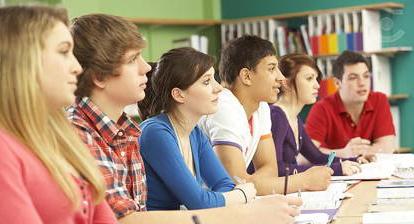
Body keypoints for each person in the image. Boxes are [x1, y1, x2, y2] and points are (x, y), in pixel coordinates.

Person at [0, 5, 234, 224]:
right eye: (64, 52)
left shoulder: (60, 137)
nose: (76, 68)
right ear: (22, 62)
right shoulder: (12, 148)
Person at [67, 14, 302, 224]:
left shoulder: (125, 131)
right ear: (98, 76)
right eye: (133, 59)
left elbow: (221, 187)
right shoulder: (83, 133)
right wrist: (246, 213)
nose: (146, 67)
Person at [199, 35, 333, 195]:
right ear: (246, 76)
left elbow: (270, 170)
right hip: (199, 210)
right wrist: (302, 181)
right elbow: (235, 186)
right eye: (271, 69)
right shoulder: (223, 106)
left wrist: (252, 183)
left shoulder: (261, 107)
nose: (281, 78)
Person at [138, 48, 256, 210]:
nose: (218, 88)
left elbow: (224, 184)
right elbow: (199, 202)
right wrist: (242, 194)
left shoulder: (194, 133)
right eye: (207, 81)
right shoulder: (156, 133)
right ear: (179, 95)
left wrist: (224, 197)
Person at [272, 53, 375, 176]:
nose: (317, 85)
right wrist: (336, 169)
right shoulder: (276, 116)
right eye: (309, 78)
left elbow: (317, 157)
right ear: (287, 83)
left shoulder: (294, 118)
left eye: (316, 79)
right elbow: (277, 169)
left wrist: (355, 161)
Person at [306, 50, 396, 158]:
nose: (362, 83)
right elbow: (306, 156)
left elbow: (387, 147)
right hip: (337, 173)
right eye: (353, 78)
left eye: (366, 76)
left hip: (372, 171)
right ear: (337, 83)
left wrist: (359, 152)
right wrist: (344, 153)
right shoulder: (322, 109)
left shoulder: (379, 100)